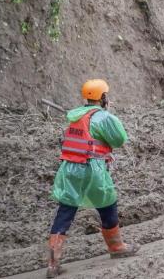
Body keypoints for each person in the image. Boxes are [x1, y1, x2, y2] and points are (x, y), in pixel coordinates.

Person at [46, 80, 139, 277]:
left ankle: (53, 263)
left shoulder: (75, 115)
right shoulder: (103, 117)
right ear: (103, 97)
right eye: (107, 95)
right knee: (107, 203)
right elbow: (120, 139)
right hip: (91, 168)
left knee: (66, 209)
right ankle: (116, 247)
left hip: (69, 169)